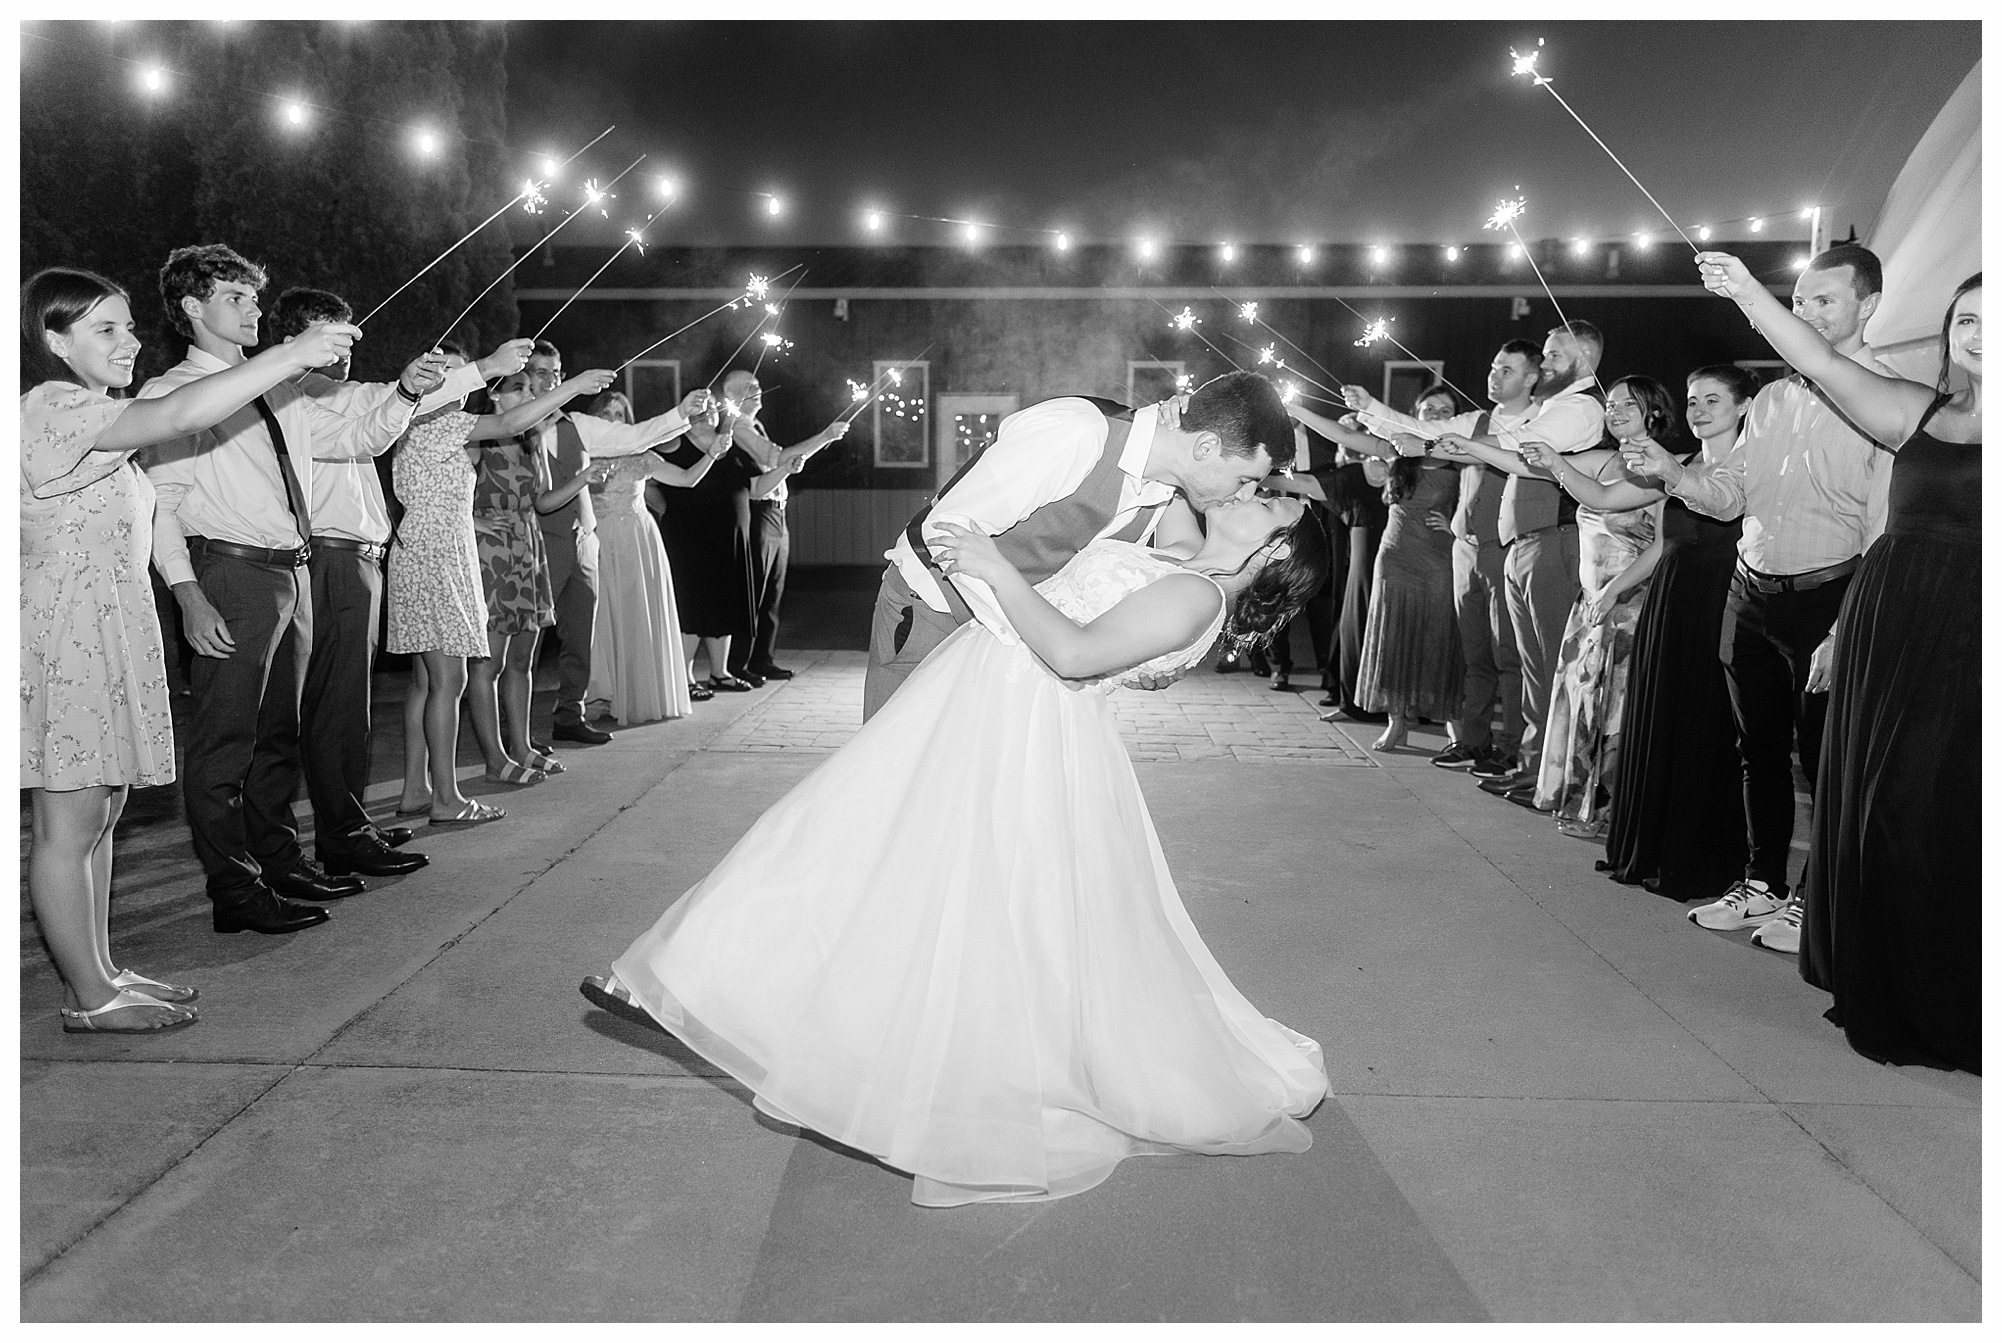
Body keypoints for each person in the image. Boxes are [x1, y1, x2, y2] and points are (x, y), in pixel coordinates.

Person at [581, 491, 1331, 1206]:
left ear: (1275, 551)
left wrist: (997, 568)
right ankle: (686, 978)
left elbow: (1073, 653)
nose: (1249, 493)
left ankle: (695, 985)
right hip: (981, 696)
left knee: (867, 852)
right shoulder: (1185, 555)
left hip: (1020, 725)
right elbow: (1168, 471)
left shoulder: (1198, 597)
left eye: (1268, 501)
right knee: (832, 833)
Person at [22, 268, 350, 1029]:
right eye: (105, 329)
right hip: (66, 638)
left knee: (102, 814)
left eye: (129, 325)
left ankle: (96, 972)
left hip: (106, 631)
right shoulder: (50, 406)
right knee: (67, 826)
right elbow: (178, 412)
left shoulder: (100, 415)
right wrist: (290, 353)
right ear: (53, 341)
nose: (129, 341)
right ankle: (90, 1000)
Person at [1699, 256, 1980, 1071]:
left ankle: (1957, 996)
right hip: (1892, 625)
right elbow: (1820, 361)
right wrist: (1748, 292)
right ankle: (1890, 980)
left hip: (1969, 634)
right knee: (1883, 801)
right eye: (1967, 320)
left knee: (1942, 806)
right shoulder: (1917, 410)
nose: (1978, 334)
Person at [138, 244, 440, 935]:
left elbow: (357, 437)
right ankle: (233, 891)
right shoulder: (174, 395)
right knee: (225, 744)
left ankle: (277, 863)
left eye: (253, 297)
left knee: (277, 735)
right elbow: (161, 506)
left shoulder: (279, 390)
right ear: (192, 307)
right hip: (230, 572)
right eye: (234, 298)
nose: (252, 310)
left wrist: (407, 392)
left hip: (292, 571)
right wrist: (189, 595)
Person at [1624, 245, 1895, 951]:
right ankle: (1763, 882)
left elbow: (1882, 531)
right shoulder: (1773, 399)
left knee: (1825, 761)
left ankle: (1813, 903)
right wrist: (1671, 473)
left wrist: (1844, 627)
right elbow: (1727, 497)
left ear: (1868, 305)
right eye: (1798, 301)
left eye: (1824, 300)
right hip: (1748, 594)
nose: (1806, 313)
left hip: (1827, 598)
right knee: (1758, 751)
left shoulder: (1888, 399)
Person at [865, 372, 1290, 721]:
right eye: (1245, 480)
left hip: (1016, 664)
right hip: (933, 615)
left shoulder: (1169, 488)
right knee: (894, 780)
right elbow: (947, 529)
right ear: (1206, 446)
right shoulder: (1078, 433)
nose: (1247, 495)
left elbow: (1179, 580)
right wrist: (1038, 647)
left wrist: (1140, 656)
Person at [272, 287, 494, 877]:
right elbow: (389, 416)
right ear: (296, 341)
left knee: (350, 706)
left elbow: (388, 405)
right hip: (331, 555)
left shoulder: (342, 396)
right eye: (333, 337)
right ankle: (337, 836)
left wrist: (415, 387)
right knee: (330, 707)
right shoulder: (296, 399)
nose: (347, 349)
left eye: (350, 337)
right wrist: (482, 368)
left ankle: (348, 827)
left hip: (363, 556)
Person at [387, 339, 583, 826]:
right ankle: (446, 799)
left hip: (425, 550)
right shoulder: (436, 421)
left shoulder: (418, 422)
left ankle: (416, 789)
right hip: (437, 554)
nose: (461, 381)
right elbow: (510, 423)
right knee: (448, 682)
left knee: (425, 682)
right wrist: (574, 386)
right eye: (451, 373)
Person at [1591, 367, 1756, 899]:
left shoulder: (1754, 464)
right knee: (1661, 716)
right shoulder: (1682, 464)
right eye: (1692, 401)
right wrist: (1616, 587)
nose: (1699, 410)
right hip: (1670, 600)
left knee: (1706, 724)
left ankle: (1698, 858)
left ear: (1744, 406)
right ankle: (1651, 847)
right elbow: (1663, 544)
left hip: (1720, 600)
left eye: (1713, 400)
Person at [1426, 323, 1610, 799]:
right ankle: (1532, 767)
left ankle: (1550, 775)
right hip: (1526, 543)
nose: (1544, 362)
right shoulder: (1555, 407)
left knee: (1549, 667)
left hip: (1554, 540)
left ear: (1584, 359)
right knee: (1533, 670)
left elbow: (1523, 449)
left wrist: (1469, 445)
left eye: (1553, 355)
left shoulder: (1581, 408)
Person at [1341, 341, 1542, 770]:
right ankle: (1472, 741)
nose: (1494, 375)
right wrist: (1371, 405)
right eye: (1493, 367)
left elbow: (1453, 450)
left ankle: (1512, 749)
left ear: (1531, 378)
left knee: (1508, 655)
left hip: (1505, 547)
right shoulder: (1476, 420)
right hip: (1463, 551)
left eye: (1506, 370)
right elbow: (1417, 428)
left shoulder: (1543, 420)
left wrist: (1429, 451)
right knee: (1474, 656)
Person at [523, 343, 716, 744]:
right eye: (542, 373)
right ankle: (517, 733)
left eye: (557, 373)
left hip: (583, 542)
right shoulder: (512, 425)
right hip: (536, 543)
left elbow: (634, 437)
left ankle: (570, 715)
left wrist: (681, 412)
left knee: (581, 639)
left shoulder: (579, 424)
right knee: (527, 644)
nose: (551, 381)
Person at [1515, 377, 1671, 836]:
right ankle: (1579, 802)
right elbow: (1522, 462)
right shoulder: (1602, 459)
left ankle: (1608, 813)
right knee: (1583, 704)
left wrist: (1614, 590)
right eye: (1611, 404)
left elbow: (1656, 543)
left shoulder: (1665, 465)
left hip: (1628, 604)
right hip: (1591, 603)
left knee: (1615, 715)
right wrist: (1465, 444)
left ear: (1654, 412)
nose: (1614, 411)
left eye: (1627, 405)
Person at [466, 364, 624, 786]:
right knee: (489, 664)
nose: (528, 396)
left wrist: (583, 479)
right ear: (495, 394)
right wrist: (474, 521)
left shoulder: (530, 439)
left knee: (522, 661)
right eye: (518, 389)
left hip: (528, 550)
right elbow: (445, 492)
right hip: (491, 555)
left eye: (529, 390)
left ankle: (522, 748)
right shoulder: (476, 438)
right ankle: (495, 759)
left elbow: (544, 501)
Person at [580, 390, 738, 725]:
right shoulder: (582, 453)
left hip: (639, 540)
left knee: (637, 614)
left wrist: (711, 454)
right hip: (599, 538)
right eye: (606, 414)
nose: (613, 420)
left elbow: (686, 479)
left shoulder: (642, 456)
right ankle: (600, 691)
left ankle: (636, 691)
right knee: (601, 616)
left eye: (620, 414)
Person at [1349, 387, 1466, 753]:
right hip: (1395, 556)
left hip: (1439, 559)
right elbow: (1346, 437)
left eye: (1445, 410)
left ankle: (1455, 725)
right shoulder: (1397, 452)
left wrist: (1457, 528)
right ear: (1416, 413)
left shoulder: (1463, 458)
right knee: (1393, 638)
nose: (1436, 415)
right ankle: (1396, 722)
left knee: (1440, 638)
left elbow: (1482, 504)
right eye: (1429, 408)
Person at [717, 369, 851, 684]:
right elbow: (775, 457)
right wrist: (825, 436)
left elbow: (784, 461)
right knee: (755, 590)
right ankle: (738, 664)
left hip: (777, 512)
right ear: (731, 395)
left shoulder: (755, 425)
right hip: (759, 511)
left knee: (772, 592)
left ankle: (762, 659)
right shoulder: (737, 426)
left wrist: (825, 438)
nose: (758, 390)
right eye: (749, 387)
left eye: (758, 385)